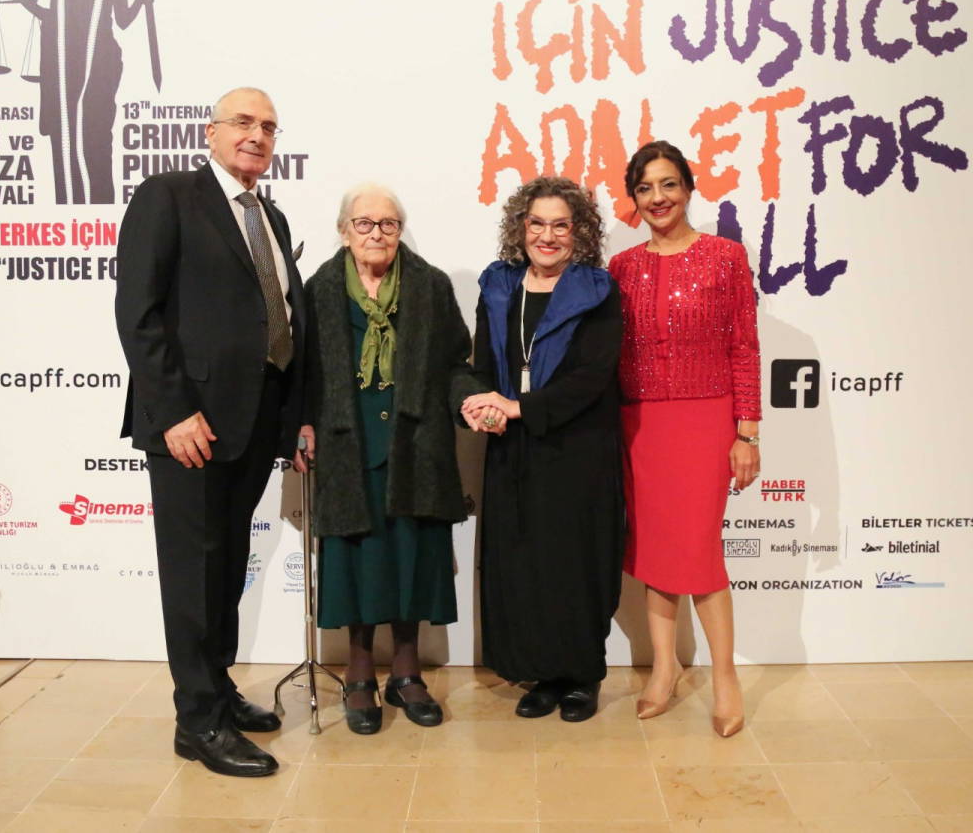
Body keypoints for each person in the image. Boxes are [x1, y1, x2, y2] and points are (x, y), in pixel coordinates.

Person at [115, 87, 304, 777]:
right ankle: (197, 722)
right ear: (211, 132)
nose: (257, 135)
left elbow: (279, 317)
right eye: (244, 122)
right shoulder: (168, 196)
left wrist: (291, 417)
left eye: (269, 127)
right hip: (189, 425)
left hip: (250, 421)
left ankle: (216, 691)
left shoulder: (269, 216)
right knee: (194, 574)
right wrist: (172, 412)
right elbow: (138, 313)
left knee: (224, 567)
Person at [295, 185, 481, 734]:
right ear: (344, 231)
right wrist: (299, 425)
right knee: (357, 559)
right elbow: (301, 372)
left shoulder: (431, 286)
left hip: (417, 445)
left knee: (410, 557)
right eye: (364, 223)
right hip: (345, 445)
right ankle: (358, 673)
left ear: (400, 230)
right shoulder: (319, 290)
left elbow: (455, 363)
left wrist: (470, 399)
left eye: (388, 224)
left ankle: (405, 671)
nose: (376, 233)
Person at [608, 140, 761, 738]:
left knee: (698, 552)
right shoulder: (621, 268)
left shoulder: (725, 257)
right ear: (634, 198)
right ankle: (663, 668)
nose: (658, 198)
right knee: (654, 550)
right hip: (641, 424)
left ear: (689, 188)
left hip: (705, 422)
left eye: (668, 184)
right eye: (645, 188)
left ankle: (725, 677)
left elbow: (744, 346)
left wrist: (747, 432)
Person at [462, 177, 623, 723]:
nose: (547, 236)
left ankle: (581, 675)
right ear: (520, 227)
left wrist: (519, 407)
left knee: (573, 563)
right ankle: (541, 673)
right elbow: (483, 366)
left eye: (560, 225)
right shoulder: (499, 286)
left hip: (578, 449)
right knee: (524, 562)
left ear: (579, 232)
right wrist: (480, 403)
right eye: (537, 223)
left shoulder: (597, 290)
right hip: (514, 451)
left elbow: (593, 377)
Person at [9, 0, 154, 204]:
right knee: (64, 133)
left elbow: (123, 20)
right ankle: (69, 203)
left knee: (95, 134)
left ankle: (100, 204)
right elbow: (54, 18)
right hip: (64, 68)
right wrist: (23, 0)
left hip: (102, 66)